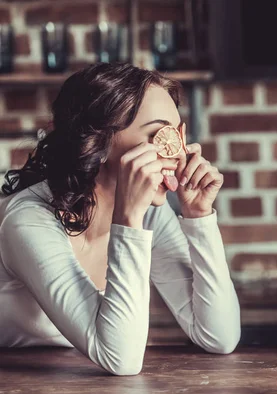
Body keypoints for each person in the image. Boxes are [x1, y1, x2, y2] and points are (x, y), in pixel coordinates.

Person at [0, 63, 240, 375]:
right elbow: (120, 359)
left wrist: (199, 218)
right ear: (97, 143)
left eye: (178, 135)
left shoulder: (150, 213)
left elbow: (220, 336)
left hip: (70, 375)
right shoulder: (28, 220)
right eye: (159, 135)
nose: (179, 155)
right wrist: (127, 220)